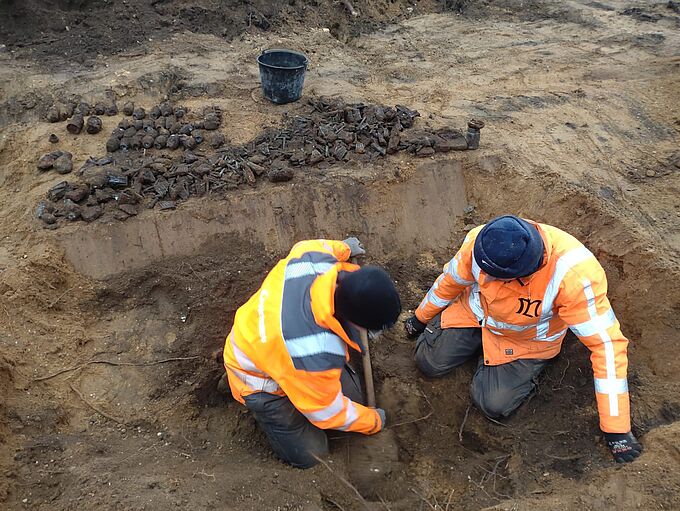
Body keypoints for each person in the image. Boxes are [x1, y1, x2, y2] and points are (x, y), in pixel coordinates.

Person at [404, 215, 642, 463]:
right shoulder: (484, 241)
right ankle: (478, 351)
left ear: (525, 272)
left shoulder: (574, 277)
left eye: (498, 277)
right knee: (428, 362)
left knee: (492, 404)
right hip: (475, 315)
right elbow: (450, 282)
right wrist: (420, 318)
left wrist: (617, 429)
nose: (489, 279)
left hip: (524, 343)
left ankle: (503, 367)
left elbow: (607, 345)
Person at [222, 238, 401, 469]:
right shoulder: (314, 353)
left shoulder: (313, 258)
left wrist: (345, 247)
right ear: (354, 321)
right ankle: (255, 403)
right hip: (257, 378)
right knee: (314, 457)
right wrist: (373, 421)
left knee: (353, 400)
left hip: (261, 336)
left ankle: (302, 393)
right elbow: (326, 412)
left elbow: (314, 245)